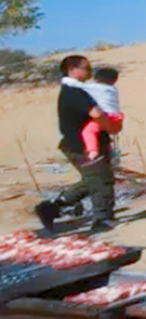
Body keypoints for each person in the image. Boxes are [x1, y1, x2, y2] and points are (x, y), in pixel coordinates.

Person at [36, 56, 118, 234]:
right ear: (73, 70)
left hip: (82, 144)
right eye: (87, 68)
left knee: (94, 180)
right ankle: (102, 220)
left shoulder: (77, 90)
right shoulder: (74, 92)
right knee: (102, 182)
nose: (90, 72)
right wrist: (111, 125)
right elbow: (96, 113)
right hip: (82, 146)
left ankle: (51, 208)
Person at [82, 67, 125, 159]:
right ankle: (112, 153)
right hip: (116, 119)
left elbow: (80, 87)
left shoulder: (96, 88)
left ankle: (93, 151)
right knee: (111, 137)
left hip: (105, 117)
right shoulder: (113, 90)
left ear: (96, 79)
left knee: (88, 131)